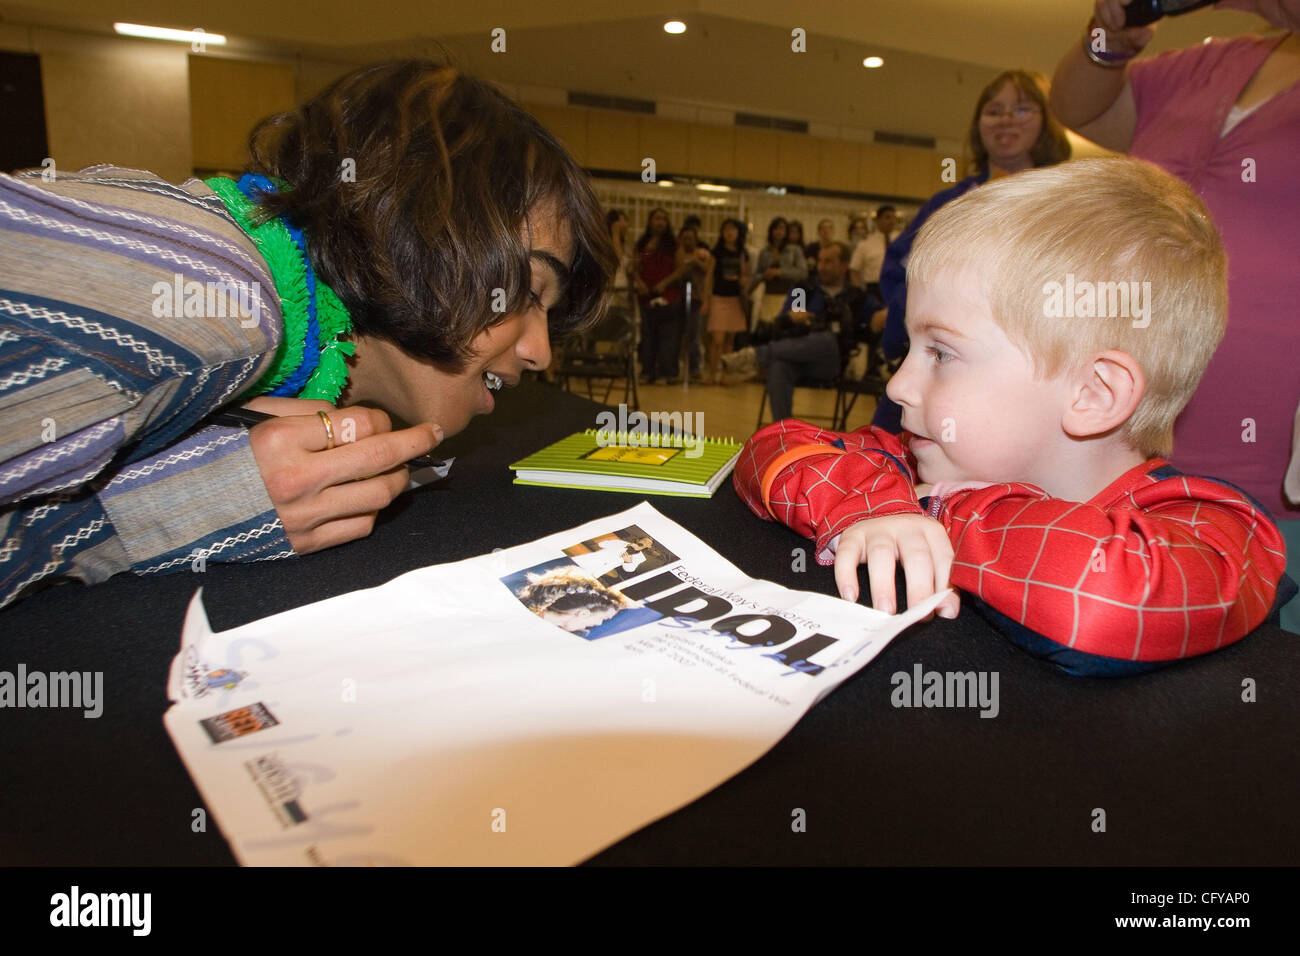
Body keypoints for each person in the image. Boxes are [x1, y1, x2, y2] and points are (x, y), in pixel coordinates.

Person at [0, 59, 615, 610]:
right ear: (419, 226)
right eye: (528, 292)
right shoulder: (215, 295)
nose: (540, 352)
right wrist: (179, 505)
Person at [733, 159, 1293, 676]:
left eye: (942, 354)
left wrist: (935, 509)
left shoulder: (1212, 531)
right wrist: (873, 505)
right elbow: (774, 446)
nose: (898, 384)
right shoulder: (919, 458)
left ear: (1093, 393)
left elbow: (1102, 599)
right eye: (909, 348)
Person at [1048, 0, 1300, 630]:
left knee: (1259, 657)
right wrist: (1113, 33)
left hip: (1269, 424)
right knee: (1108, 619)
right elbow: (1079, 108)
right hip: (1130, 411)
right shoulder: (1215, 62)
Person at [872, 69, 1071, 433]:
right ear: (979, 124)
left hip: (1033, 380)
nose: (1006, 120)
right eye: (994, 111)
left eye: (1022, 109)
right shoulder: (949, 202)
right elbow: (902, 272)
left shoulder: (1065, 205)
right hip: (940, 368)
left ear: (1047, 122)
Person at [722, 241, 876, 421]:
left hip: (832, 364)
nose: (822, 267)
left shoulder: (856, 296)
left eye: (828, 262)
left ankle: (755, 356)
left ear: (843, 265)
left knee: (827, 339)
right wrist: (793, 317)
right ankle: (784, 430)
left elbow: (877, 320)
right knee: (779, 366)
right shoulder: (804, 290)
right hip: (798, 357)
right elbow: (783, 322)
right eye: (820, 261)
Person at [633, 208, 684, 385]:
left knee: (667, 337)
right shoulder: (642, 243)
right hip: (646, 297)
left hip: (667, 297)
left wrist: (665, 283)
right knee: (647, 336)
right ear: (650, 221)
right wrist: (639, 282)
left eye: (663, 219)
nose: (660, 222)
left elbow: (680, 270)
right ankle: (647, 371)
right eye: (656, 218)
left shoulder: (673, 245)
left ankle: (665, 373)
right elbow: (634, 267)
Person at [706, 218, 751, 385]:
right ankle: (712, 373)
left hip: (735, 299)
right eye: (726, 229)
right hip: (719, 297)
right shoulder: (716, 252)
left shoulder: (742, 253)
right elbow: (709, 276)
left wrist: (744, 280)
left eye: (733, 230)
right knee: (717, 340)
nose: (730, 233)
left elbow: (746, 274)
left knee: (730, 341)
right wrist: (706, 299)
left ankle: (725, 374)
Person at [750, 217, 808, 329]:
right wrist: (764, 275)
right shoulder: (765, 252)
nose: (779, 232)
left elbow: (802, 273)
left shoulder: (794, 250)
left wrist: (780, 272)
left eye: (782, 228)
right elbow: (757, 274)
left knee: (789, 330)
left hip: (790, 295)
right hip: (769, 296)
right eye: (776, 228)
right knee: (768, 328)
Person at [675, 224, 714, 385]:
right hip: (680, 299)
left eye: (691, 238)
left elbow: (708, 272)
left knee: (694, 334)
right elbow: (679, 270)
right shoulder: (678, 253)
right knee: (680, 335)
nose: (688, 241)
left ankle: (695, 368)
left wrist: (696, 260)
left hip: (697, 298)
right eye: (685, 238)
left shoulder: (702, 254)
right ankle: (679, 368)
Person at [848, 204, 898, 293]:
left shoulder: (901, 241)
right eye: (887, 218)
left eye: (894, 218)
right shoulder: (865, 244)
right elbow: (854, 270)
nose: (892, 221)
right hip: (875, 290)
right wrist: (860, 292)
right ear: (878, 221)